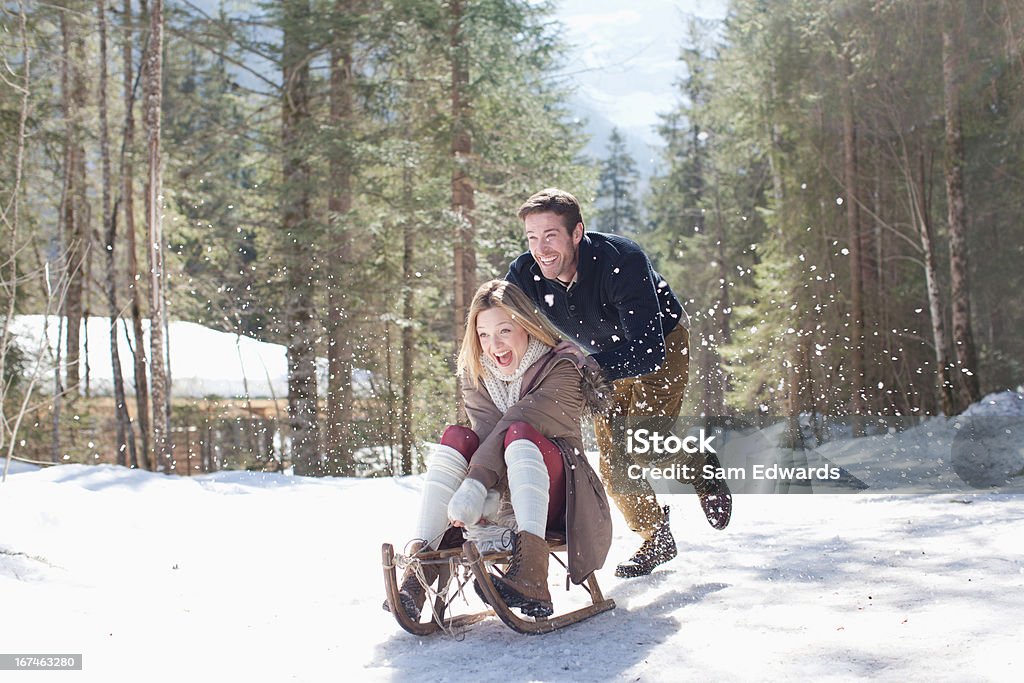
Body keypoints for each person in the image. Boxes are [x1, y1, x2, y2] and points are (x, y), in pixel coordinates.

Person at [506, 187, 733, 579]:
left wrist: (589, 366)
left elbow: (648, 351)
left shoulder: (620, 260)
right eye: (532, 237)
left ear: (577, 233)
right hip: (601, 358)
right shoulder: (526, 275)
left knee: (644, 445)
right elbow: (499, 314)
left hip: (659, 343)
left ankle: (700, 466)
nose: (540, 249)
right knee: (613, 462)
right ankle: (655, 536)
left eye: (551, 236)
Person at [389, 279, 611, 621]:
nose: (495, 345)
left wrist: (476, 486)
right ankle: (420, 568)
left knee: (520, 433)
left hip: (561, 500)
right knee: (458, 437)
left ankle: (532, 575)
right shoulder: (477, 374)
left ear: (527, 325)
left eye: (505, 330)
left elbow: (512, 425)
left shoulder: (564, 369)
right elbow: (486, 435)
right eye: (484, 335)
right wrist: (481, 494)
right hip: (499, 493)